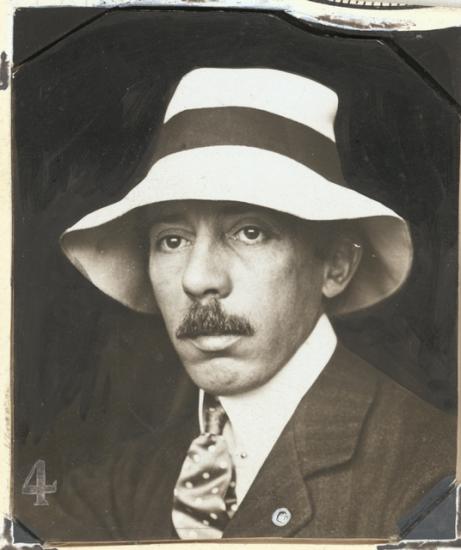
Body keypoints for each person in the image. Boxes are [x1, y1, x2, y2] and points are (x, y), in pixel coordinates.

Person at [50, 67, 455, 541]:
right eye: (172, 240)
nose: (198, 279)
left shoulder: (436, 473)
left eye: (249, 231)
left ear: (336, 266)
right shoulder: (116, 487)